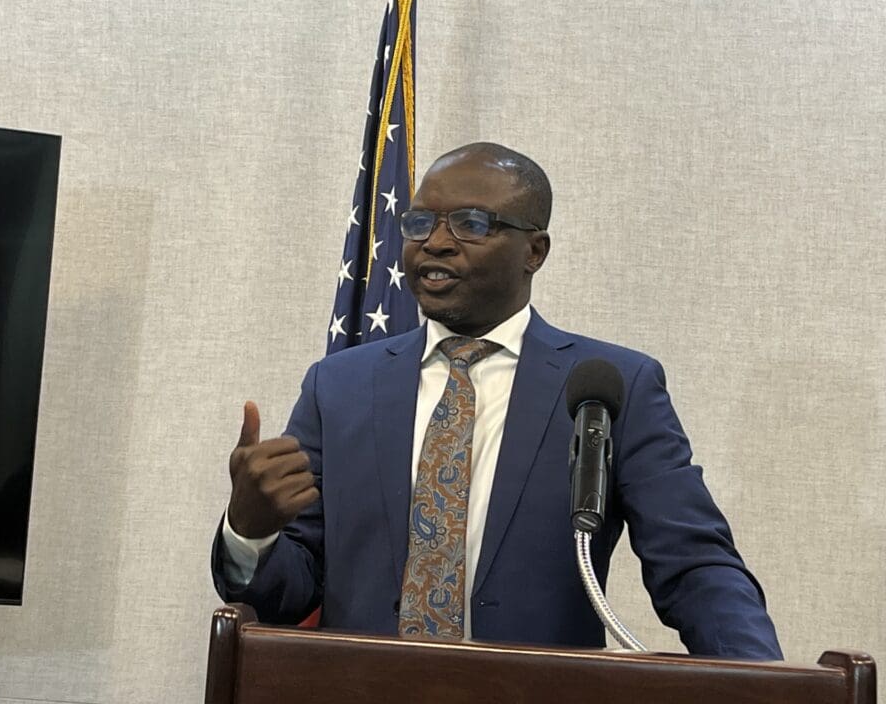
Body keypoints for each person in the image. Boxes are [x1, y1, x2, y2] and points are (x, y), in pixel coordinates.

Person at [211, 142, 783, 659]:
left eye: (471, 224)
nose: (435, 242)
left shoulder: (611, 386)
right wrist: (250, 531)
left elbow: (694, 566)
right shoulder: (337, 386)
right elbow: (290, 593)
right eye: (419, 222)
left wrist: (767, 684)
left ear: (534, 250)